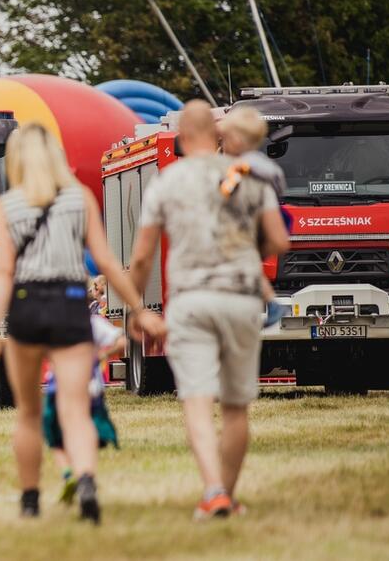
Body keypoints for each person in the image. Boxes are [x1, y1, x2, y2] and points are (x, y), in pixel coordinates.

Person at [0, 123, 166, 522]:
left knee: (27, 411)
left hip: (27, 304)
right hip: (71, 302)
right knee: (75, 407)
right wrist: (140, 308)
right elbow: (108, 262)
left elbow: (3, 273)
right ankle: (87, 479)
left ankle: (29, 501)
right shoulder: (79, 200)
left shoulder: (7, 206)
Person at [129, 100, 290, 520]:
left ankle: (214, 490)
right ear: (216, 133)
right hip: (240, 296)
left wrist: (134, 307)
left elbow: (143, 254)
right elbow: (278, 241)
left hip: (190, 299)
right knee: (236, 407)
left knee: (197, 401)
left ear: (182, 135)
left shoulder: (167, 181)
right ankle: (227, 497)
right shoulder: (249, 176)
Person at [45, 314, 125, 505]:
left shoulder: (52, 320)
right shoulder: (93, 322)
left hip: (59, 387)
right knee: (87, 432)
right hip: (91, 389)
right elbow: (122, 342)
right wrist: (101, 355)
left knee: (55, 437)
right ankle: (86, 476)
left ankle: (68, 474)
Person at [218, 106, 287, 327]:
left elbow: (226, 191)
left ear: (237, 140)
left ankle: (264, 302)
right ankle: (270, 301)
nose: (223, 145)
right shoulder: (265, 164)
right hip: (268, 220)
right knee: (250, 263)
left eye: (225, 139)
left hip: (243, 223)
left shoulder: (240, 168)